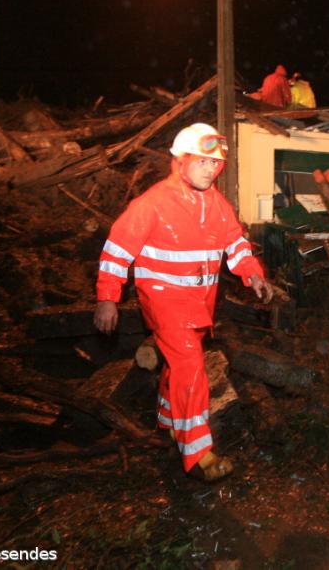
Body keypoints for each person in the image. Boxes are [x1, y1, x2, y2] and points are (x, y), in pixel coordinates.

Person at [94, 122, 273, 483]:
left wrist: (253, 274)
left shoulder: (216, 204)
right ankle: (199, 453)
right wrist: (107, 299)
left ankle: (168, 421)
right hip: (163, 301)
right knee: (191, 368)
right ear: (182, 160)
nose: (211, 169)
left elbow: (235, 244)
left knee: (178, 365)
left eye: (215, 164)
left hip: (197, 304)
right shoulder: (152, 204)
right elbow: (116, 252)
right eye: (204, 162)